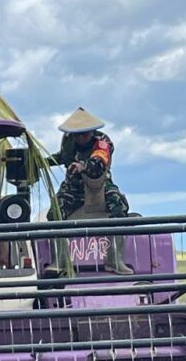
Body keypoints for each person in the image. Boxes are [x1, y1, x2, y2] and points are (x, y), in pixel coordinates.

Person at [47, 107, 132, 274]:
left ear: (92, 132)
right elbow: (63, 157)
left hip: (99, 184)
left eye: (84, 134)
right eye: (77, 134)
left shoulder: (102, 142)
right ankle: (61, 260)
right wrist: (44, 161)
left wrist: (83, 166)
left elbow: (99, 162)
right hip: (74, 185)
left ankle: (114, 259)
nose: (81, 138)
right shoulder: (69, 140)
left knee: (120, 206)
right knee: (55, 213)